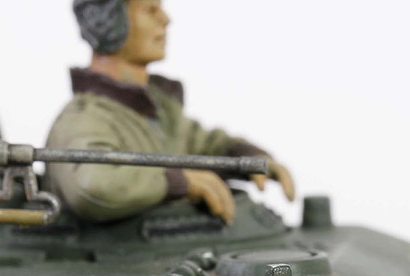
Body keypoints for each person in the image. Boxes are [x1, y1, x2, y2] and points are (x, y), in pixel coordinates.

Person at [46, 0, 295, 224]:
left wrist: (246, 156)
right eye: (150, 10)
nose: (165, 19)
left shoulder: (155, 109)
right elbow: (93, 187)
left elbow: (200, 142)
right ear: (110, 22)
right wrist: (179, 182)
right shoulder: (84, 119)